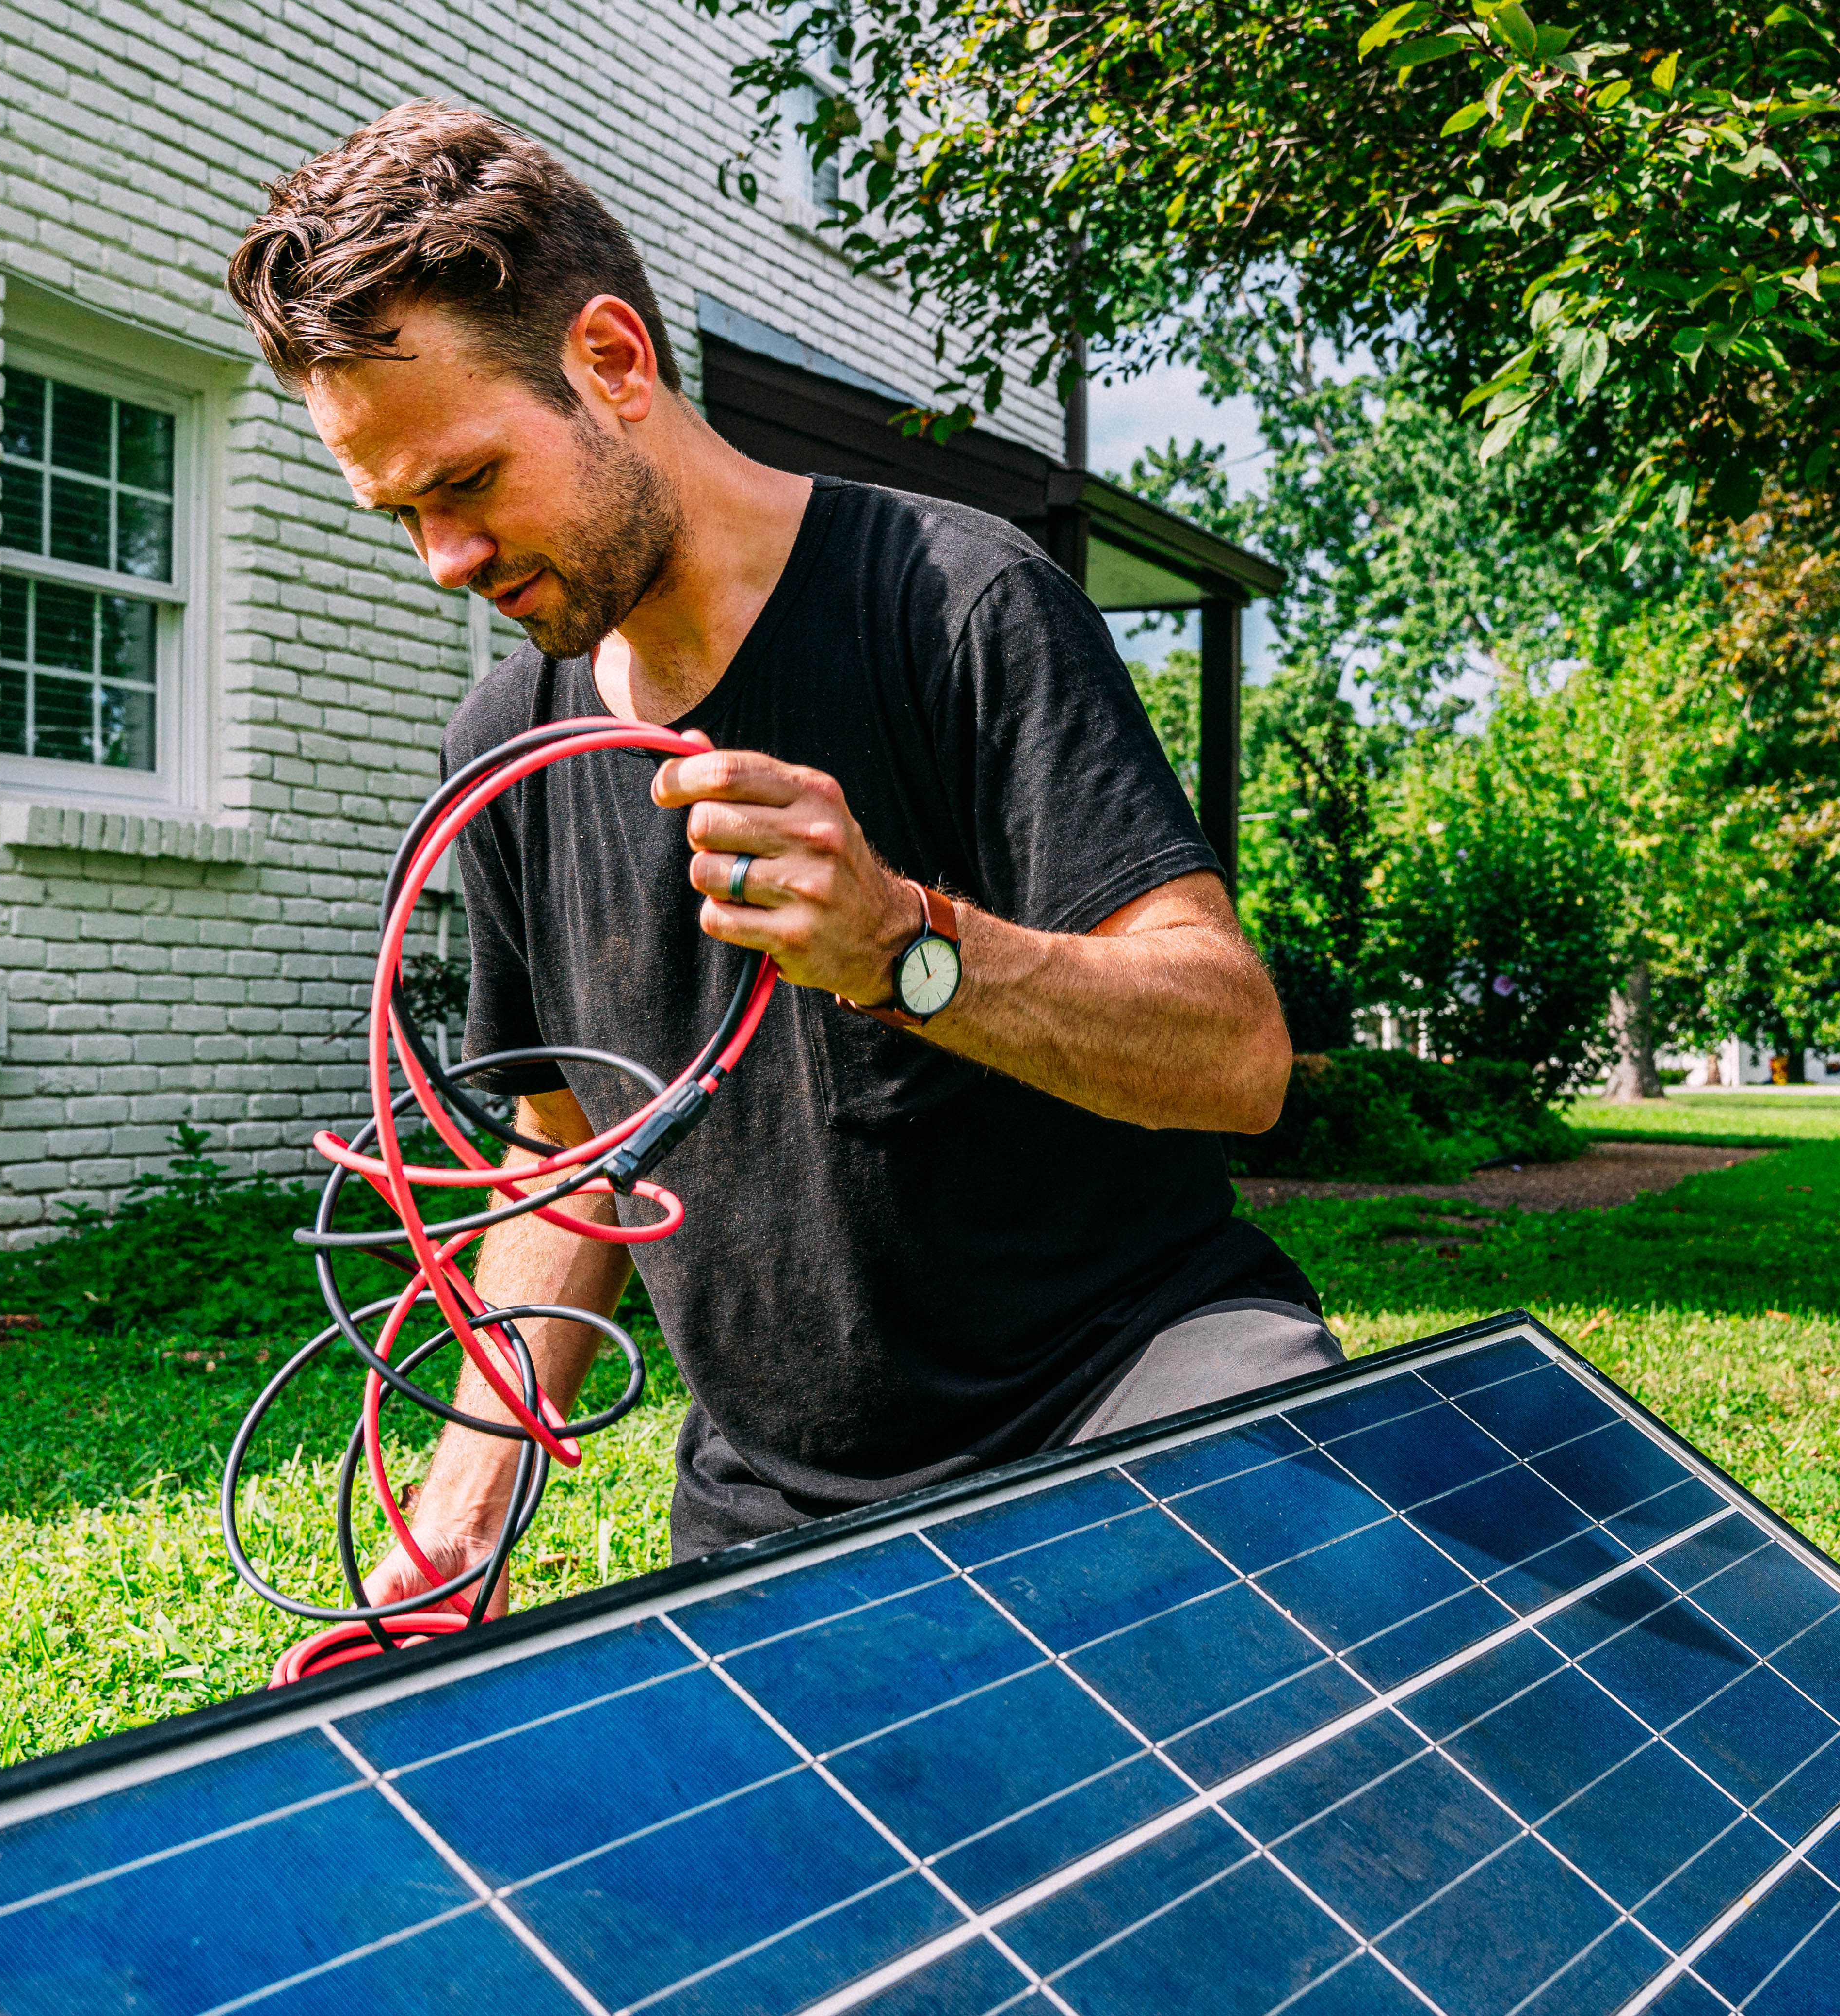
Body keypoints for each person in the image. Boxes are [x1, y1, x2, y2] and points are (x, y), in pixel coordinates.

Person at [225, 102, 1334, 1594]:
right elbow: (566, 1150)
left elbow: (1237, 1055)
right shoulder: (504, 750)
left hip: (1132, 1395)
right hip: (783, 1507)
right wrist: (461, 1514)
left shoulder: (958, 605)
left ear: (612, 362)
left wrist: (902, 946)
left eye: (469, 482)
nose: (446, 560)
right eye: (401, 513)